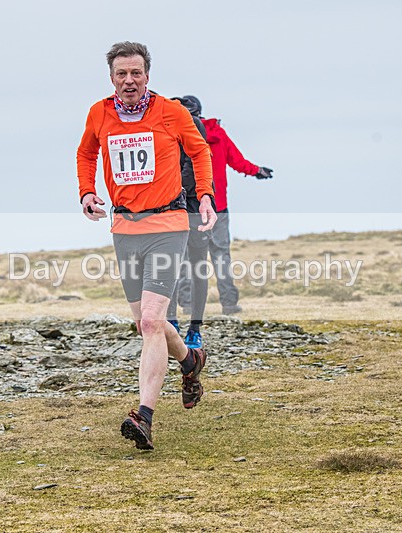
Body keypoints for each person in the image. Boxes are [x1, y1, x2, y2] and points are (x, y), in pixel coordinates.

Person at [77, 42, 217, 450]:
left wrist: (204, 195)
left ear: (147, 76)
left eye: (135, 73)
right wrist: (87, 192)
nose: (129, 80)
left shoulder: (171, 112)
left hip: (168, 224)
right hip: (124, 227)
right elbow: (86, 152)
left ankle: (144, 417)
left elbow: (199, 151)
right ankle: (190, 361)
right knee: (146, 324)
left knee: (154, 321)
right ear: (111, 78)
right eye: (121, 74)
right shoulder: (99, 113)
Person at [179, 104, 273, 315]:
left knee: (185, 256)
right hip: (218, 206)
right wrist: (257, 171)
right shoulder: (218, 134)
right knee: (221, 255)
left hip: (189, 207)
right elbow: (237, 161)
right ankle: (229, 303)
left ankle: (187, 304)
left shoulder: (180, 133)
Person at [166, 95, 211, 350]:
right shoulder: (164, 127)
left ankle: (194, 328)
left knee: (197, 267)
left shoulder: (194, 124)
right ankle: (171, 321)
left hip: (193, 205)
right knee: (170, 264)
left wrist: (173, 192)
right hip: (173, 205)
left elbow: (194, 163)